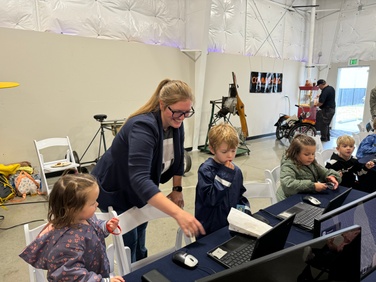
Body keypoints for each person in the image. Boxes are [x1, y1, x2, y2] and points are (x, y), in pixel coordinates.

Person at [91, 79, 205, 262]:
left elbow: (178, 159)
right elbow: (139, 179)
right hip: (116, 189)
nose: (182, 117)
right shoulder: (142, 127)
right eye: (177, 112)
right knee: (130, 239)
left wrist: (177, 189)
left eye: (186, 112)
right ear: (162, 104)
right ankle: (132, 271)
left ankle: (140, 265)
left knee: (141, 232)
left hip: (138, 190)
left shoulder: (176, 123)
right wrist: (178, 214)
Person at [19, 174, 124, 282]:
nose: (97, 204)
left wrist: (105, 226)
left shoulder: (85, 217)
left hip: (95, 271)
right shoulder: (67, 243)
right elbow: (73, 277)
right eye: (92, 203)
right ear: (73, 209)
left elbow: (95, 228)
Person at [195, 123, 250, 238]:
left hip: (230, 227)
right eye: (224, 152)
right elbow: (211, 200)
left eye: (233, 151)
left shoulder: (237, 171)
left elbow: (239, 196)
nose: (230, 155)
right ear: (212, 149)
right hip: (209, 229)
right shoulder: (206, 170)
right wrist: (224, 176)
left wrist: (244, 211)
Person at [276, 134, 341, 201]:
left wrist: (332, 176)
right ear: (295, 153)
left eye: (313, 154)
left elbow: (323, 171)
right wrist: (312, 186)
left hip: (305, 196)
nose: (311, 157)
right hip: (288, 199)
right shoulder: (288, 164)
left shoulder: (310, 162)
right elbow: (288, 185)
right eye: (306, 154)